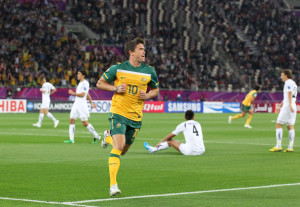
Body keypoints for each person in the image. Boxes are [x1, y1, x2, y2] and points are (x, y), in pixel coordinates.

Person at [96, 37, 159, 196]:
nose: (144, 51)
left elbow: (156, 90)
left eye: (144, 49)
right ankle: (113, 185)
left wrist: (148, 95)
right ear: (131, 52)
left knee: (122, 151)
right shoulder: (118, 69)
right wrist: (115, 88)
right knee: (118, 147)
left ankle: (107, 137)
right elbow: (100, 83)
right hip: (118, 112)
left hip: (136, 117)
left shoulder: (149, 71)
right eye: (140, 49)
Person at [64, 70, 101, 144]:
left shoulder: (85, 83)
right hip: (76, 104)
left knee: (85, 123)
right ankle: (71, 139)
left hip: (82, 105)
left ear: (83, 75)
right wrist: (91, 102)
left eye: (79, 74)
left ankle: (97, 136)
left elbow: (84, 94)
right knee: (71, 120)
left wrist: (73, 93)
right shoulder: (80, 83)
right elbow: (87, 94)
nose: (77, 75)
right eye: (77, 74)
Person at [269, 69, 297, 152]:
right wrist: (281, 105)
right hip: (293, 105)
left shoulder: (288, 82)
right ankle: (290, 147)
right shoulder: (293, 83)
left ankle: (278, 146)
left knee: (278, 124)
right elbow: (288, 96)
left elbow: (289, 93)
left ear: (286, 75)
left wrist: (289, 105)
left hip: (288, 105)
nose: (281, 77)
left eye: (282, 75)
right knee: (290, 126)